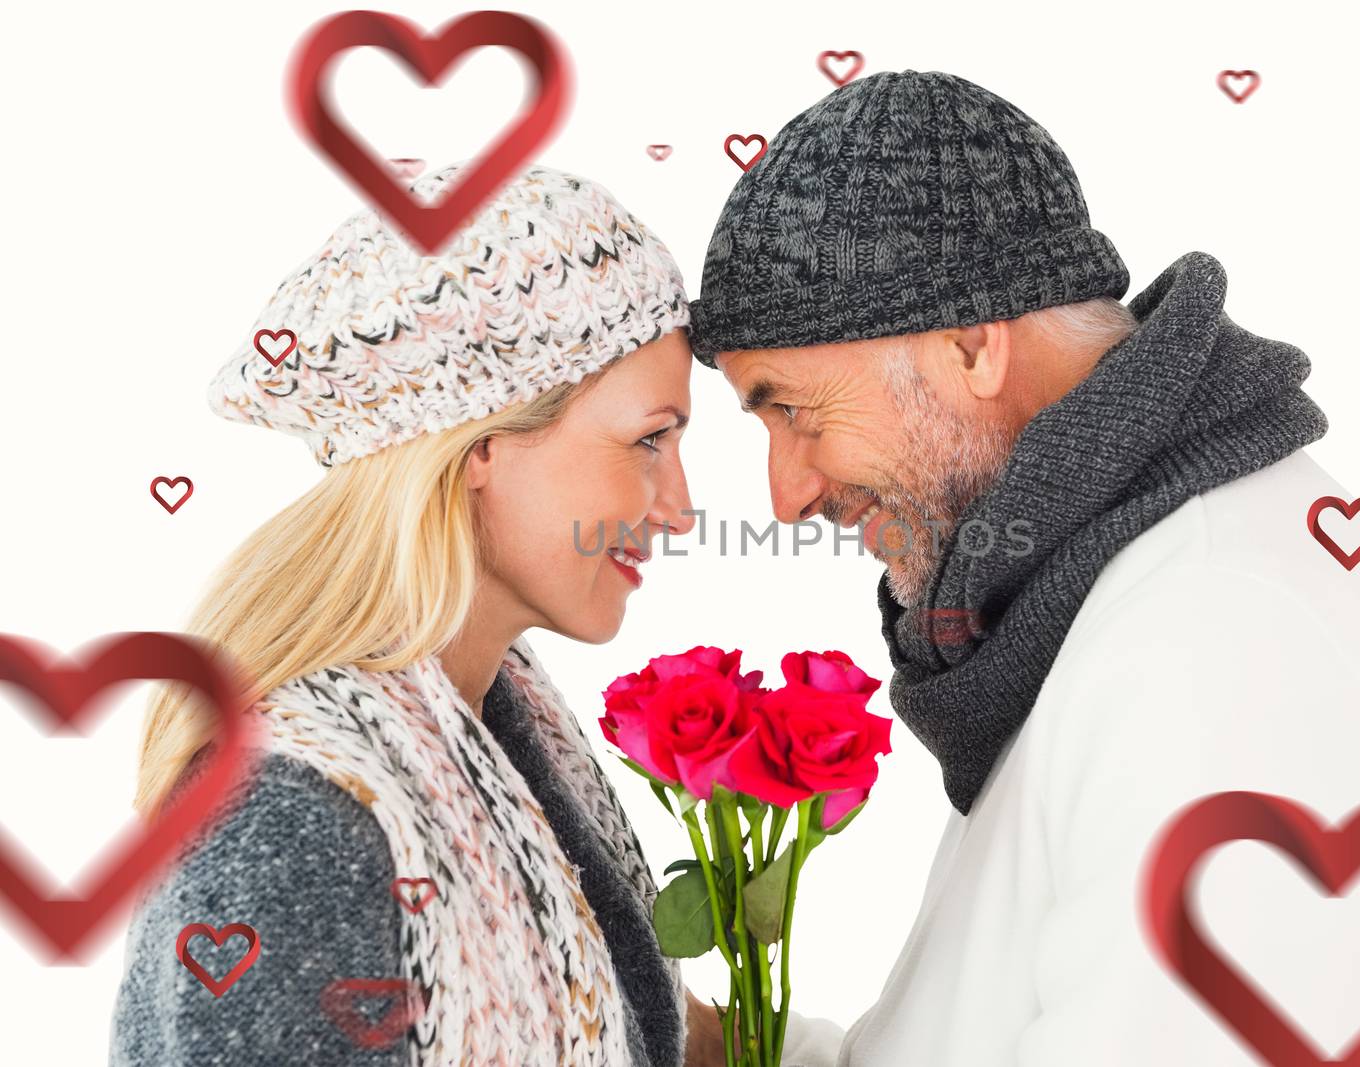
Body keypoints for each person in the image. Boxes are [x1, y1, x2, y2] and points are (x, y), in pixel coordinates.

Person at [688, 70, 1360, 1065]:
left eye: (795, 410)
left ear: (971, 345)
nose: (785, 493)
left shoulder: (1220, 652)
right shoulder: (1113, 604)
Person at [107, 161, 827, 1066]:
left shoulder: (503, 723)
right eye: (648, 440)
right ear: (482, 445)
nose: (678, 507)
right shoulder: (292, 814)